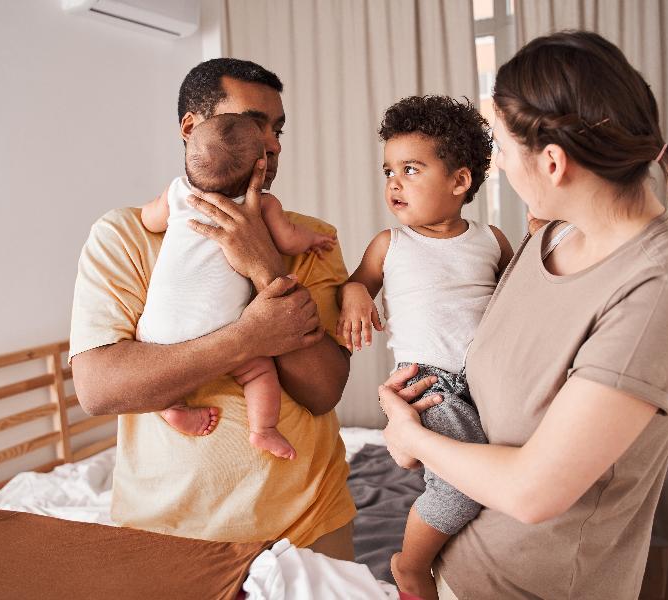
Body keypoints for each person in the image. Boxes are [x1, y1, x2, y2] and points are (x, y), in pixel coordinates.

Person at [379, 31, 668, 599]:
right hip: (459, 568)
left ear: (554, 162)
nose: (502, 170)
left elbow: (533, 492)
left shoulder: (657, 296)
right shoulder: (551, 235)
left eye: (506, 153)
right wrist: (423, 401)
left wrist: (410, 436)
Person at [69, 58, 356, 559]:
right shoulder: (123, 236)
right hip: (163, 534)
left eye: (278, 128)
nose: (272, 144)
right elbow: (99, 388)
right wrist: (249, 338)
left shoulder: (312, 239)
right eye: (254, 123)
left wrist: (264, 264)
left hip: (308, 525)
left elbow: (323, 389)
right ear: (192, 127)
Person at [336, 95, 512, 599]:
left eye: (411, 169)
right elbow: (356, 284)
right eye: (389, 169)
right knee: (460, 488)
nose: (394, 182)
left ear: (459, 182)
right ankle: (410, 565)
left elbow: (516, 299)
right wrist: (353, 299)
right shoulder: (390, 244)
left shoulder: (490, 239)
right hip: (428, 384)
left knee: (498, 469)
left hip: (487, 382)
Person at [137, 113, 336, 461]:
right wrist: (313, 241)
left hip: (161, 330)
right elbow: (289, 241)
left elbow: (148, 219)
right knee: (259, 370)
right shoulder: (263, 206)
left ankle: (171, 406)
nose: (275, 143)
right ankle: (263, 429)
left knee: (150, 354)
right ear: (258, 166)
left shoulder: (178, 193)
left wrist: (164, 209)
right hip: (225, 326)